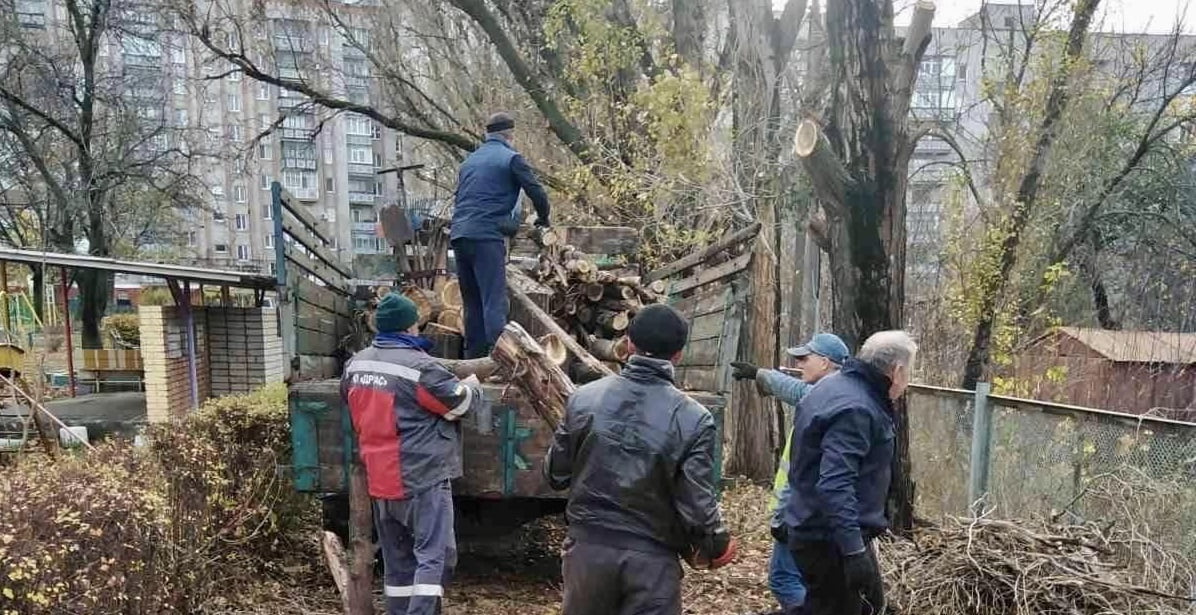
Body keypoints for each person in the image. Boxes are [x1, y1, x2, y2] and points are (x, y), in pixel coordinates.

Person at [545, 303, 737, 615]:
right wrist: (717, 543)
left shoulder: (583, 399)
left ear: (629, 345)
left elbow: (555, 474)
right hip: (652, 563)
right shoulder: (694, 419)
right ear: (678, 355)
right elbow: (697, 504)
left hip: (587, 554)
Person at [340, 293, 484, 615]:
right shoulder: (420, 368)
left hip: (380, 479)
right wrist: (473, 386)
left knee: (398, 563)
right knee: (435, 556)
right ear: (409, 328)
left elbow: (349, 402)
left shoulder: (355, 364)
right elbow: (458, 404)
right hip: (421, 477)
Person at [782, 330, 918, 615]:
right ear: (898, 371)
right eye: (910, 372)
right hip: (830, 540)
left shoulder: (833, 387)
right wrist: (853, 551)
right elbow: (835, 484)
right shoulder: (857, 408)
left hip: (822, 530)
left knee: (866, 607)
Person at [730, 332, 850, 615]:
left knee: (784, 581)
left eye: (805, 358)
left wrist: (785, 515)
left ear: (825, 362)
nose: (800, 364)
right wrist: (759, 374)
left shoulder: (824, 399)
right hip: (822, 516)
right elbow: (796, 390)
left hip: (804, 514)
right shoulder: (837, 393)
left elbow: (803, 475)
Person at [450, 111, 551, 358]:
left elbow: (463, 198)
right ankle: (499, 361)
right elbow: (537, 193)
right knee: (493, 301)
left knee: (471, 302)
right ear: (510, 135)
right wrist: (543, 219)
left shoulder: (469, 162)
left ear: (488, 134)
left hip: (459, 235)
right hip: (486, 237)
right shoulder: (511, 158)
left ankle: (472, 360)